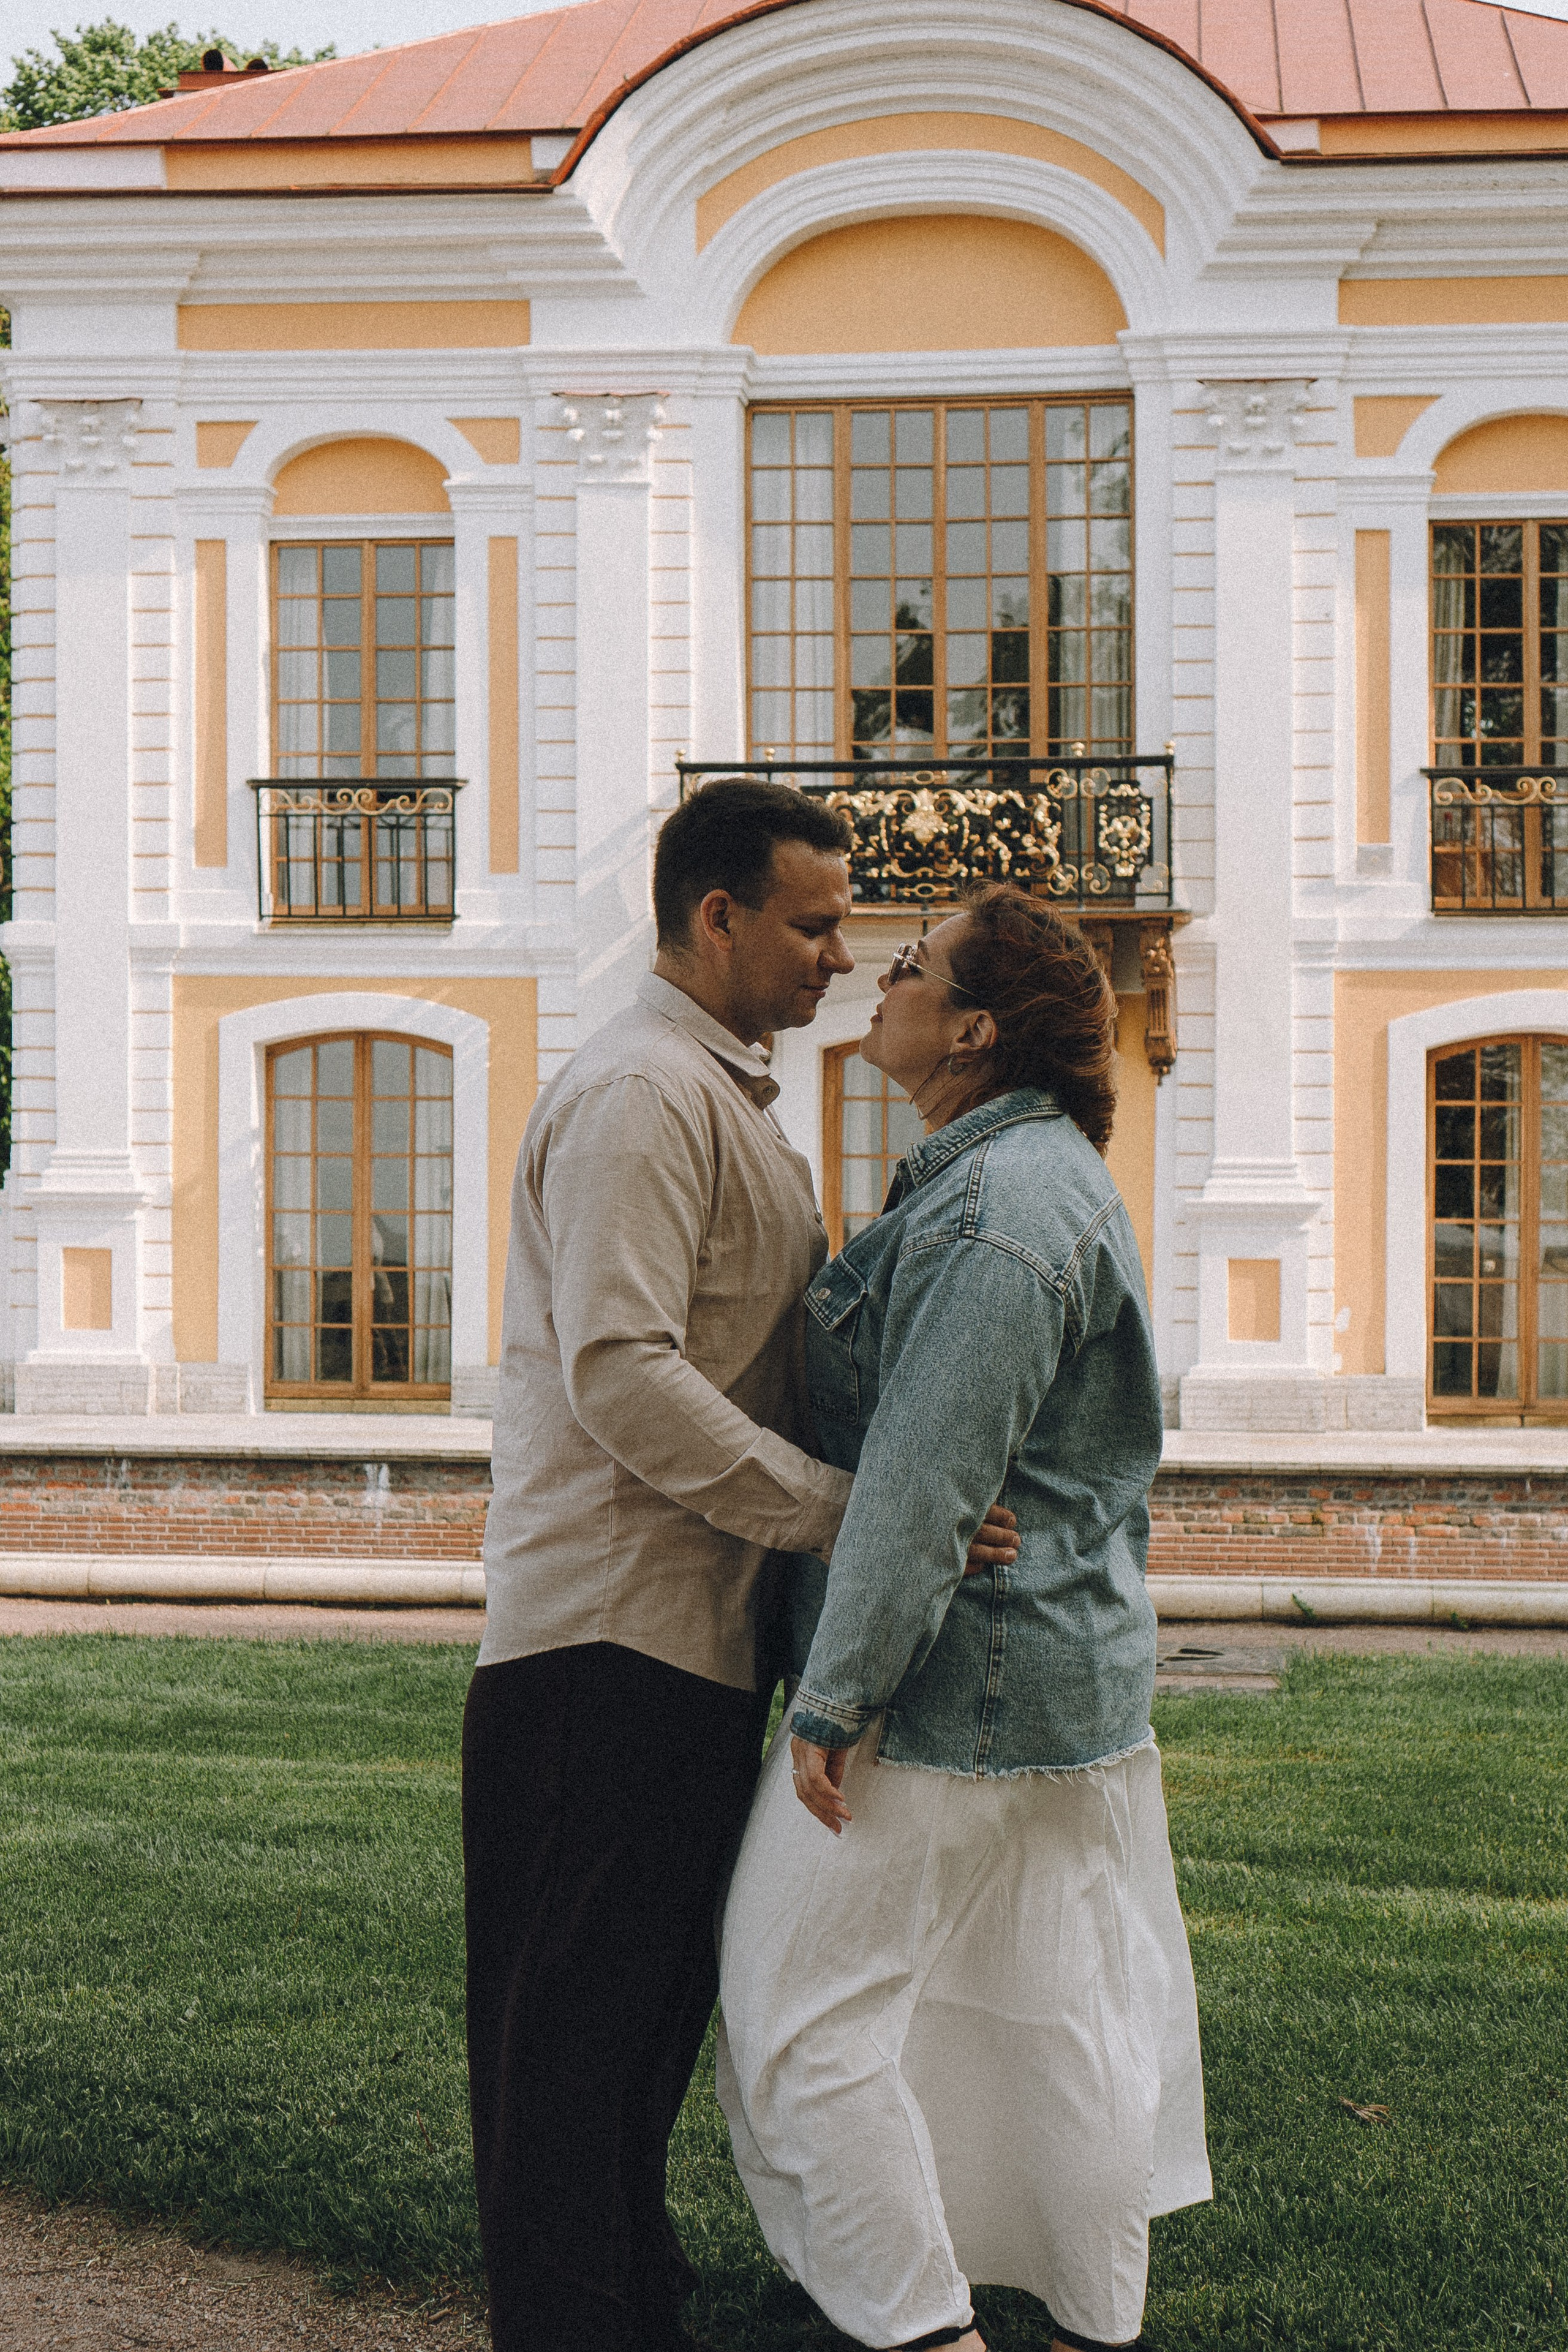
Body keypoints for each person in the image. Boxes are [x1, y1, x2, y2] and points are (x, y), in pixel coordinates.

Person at [463, 780, 1018, 2352]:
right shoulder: (644, 1095)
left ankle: (629, 2316)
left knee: (633, 2042)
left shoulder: (725, 1095)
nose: (840, 958)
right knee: (573, 2057)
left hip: (689, 1651)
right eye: (816, 924)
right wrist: (856, 1512)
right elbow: (622, 1375)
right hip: (603, 1650)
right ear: (717, 917)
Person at [718, 884, 1212, 2352]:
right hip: (1060, 1682)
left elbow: (928, 1478)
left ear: (974, 1030)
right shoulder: (1032, 1178)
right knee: (1055, 2016)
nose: (881, 976)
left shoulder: (1000, 1214)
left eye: (915, 968)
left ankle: (924, 2330)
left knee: (792, 2014)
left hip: (952, 1693)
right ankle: (1086, 2320)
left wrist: (835, 1697)